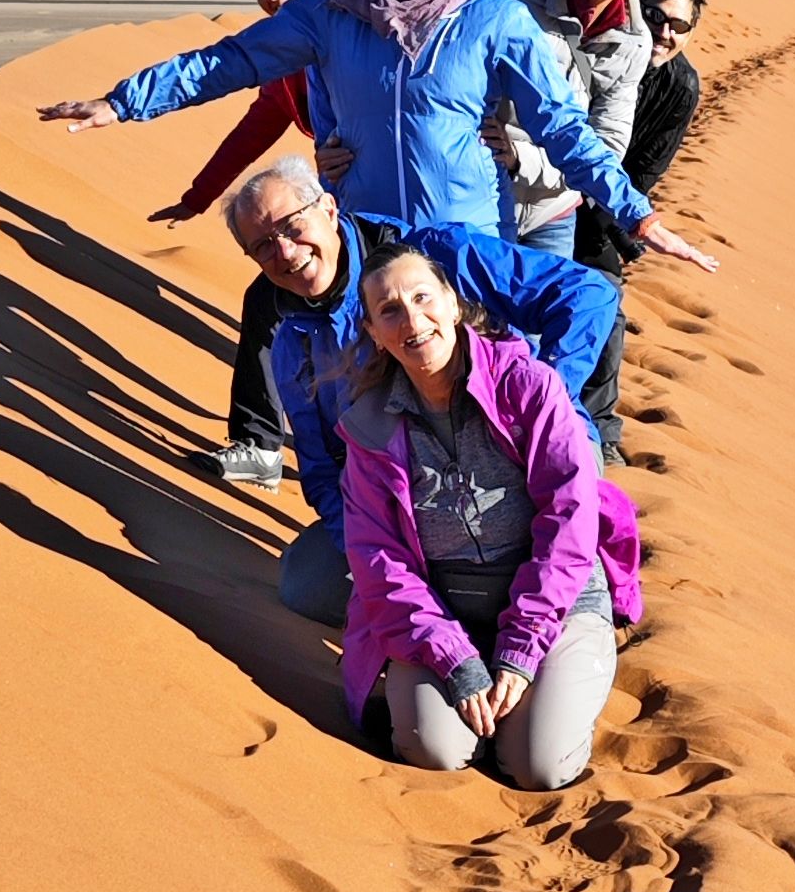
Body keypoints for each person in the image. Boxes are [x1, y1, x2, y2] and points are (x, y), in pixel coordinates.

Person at [39, 0, 716, 269]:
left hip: (464, 248)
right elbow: (233, 61)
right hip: (363, 240)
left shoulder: (496, 17)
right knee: (365, 415)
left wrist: (637, 213)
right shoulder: (333, 8)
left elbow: (564, 130)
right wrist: (123, 102)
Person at [220, 158, 623, 629]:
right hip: (411, 490)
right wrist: (368, 546)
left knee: (518, 539)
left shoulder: (433, 257)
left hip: (522, 452)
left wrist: (541, 401)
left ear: (329, 209)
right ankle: (448, 618)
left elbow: (586, 294)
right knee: (307, 582)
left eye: (292, 226)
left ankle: (564, 599)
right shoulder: (295, 342)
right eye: (263, 245)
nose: (286, 252)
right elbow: (322, 469)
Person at [338, 243, 641, 788]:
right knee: (432, 749)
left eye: (423, 297)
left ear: (453, 305)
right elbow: (378, 560)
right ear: (375, 332)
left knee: (537, 766)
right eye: (390, 310)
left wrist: (521, 649)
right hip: (443, 613)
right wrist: (456, 660)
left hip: (555, 600)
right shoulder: (370, 426)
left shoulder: (529, 388)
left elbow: (570, 522)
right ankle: (488, 703)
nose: (412, 319)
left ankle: (554, 693)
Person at [141, 0, 322, 489]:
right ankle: (262, 446)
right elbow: (256, 127)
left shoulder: (344, 30)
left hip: (388, 204)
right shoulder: (288, 59)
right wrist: (200, 196)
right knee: (269, 303)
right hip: (342, 200)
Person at [573, 0, 708, 455]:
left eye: (679, 26)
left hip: (606, 212)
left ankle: (600, 432)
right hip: (543, 197)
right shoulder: (597, 51)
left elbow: (646, 172)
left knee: (604, 307)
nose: (665, 33)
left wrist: (619, 223)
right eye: (654, 17)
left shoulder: (680, 86)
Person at [494, 0, 660, 259]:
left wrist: (523, 159)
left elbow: (608, 145)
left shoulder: (634, 42)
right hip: (485, 195)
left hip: (552, 211)